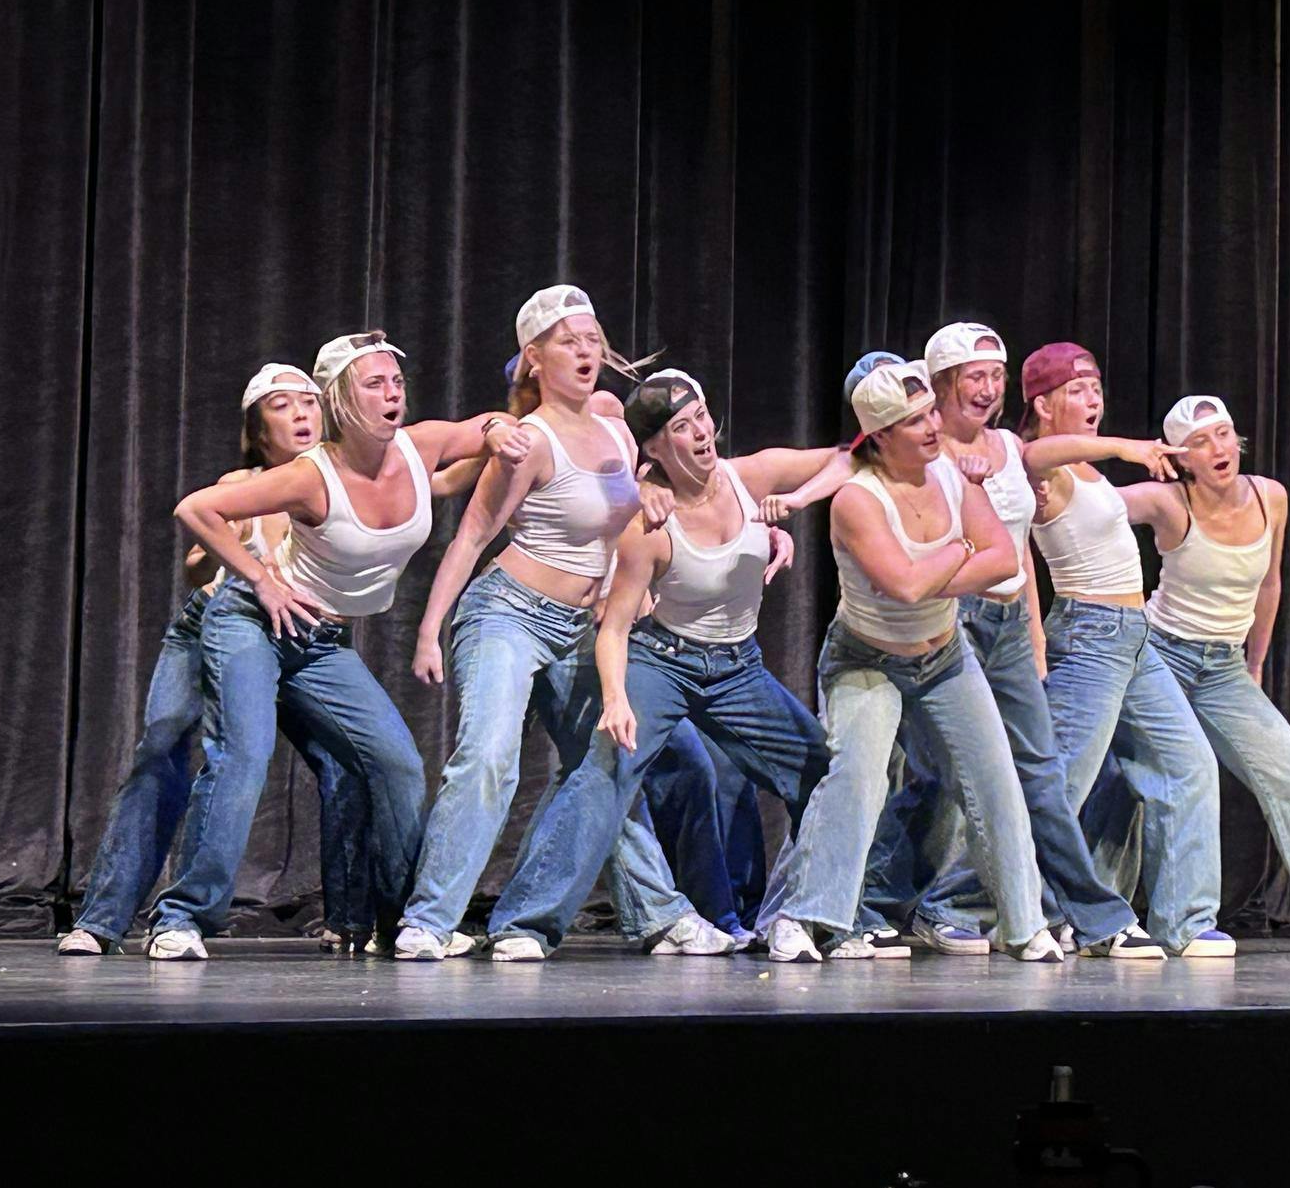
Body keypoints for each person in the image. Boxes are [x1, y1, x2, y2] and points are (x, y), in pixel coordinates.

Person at [146, 332, 527, 961]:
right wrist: (263, 580)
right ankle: (182, 918)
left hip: (322, 644)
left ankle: (406, 923)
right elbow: (196, 508)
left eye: (395, 382)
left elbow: (481, 427)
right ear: (341, 401)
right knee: (243, 754)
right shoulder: (308, 477)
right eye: (374, 385)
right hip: (250, 624)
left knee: (397, 764)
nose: (392, 394)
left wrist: (493, 432)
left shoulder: (418, 446)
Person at [478, 372, 877, 961]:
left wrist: (795, 503)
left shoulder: (749, 479)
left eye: (703, 419)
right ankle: (523, 925)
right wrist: (615, 698)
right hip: (663, 661)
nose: (701, 435)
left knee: (823, 772)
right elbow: (614, 628)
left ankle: (824, 917)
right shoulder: (649, 526)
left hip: (738, 668)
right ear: (656, 448)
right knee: (605, 771)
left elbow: (855, 455)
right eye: (681, 428)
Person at [397, 286, 734, 962]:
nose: (585, 352)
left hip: (583, 625)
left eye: (591, 339)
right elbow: (471, 537)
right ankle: (430, 921)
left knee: (606, 764)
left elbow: (663, 478)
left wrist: (656, 489)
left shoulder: (614, 418)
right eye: (567, 342)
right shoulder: (529, 442)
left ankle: (660, 913)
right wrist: (430, 630)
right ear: (533, 358)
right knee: (489, 760)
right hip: (508, 615)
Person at [853, 323, 1176, 958]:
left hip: (1003, 628)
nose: (987, 388)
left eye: (996, 376)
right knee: (940, 776)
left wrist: (1032, 632)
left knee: (1042, 775)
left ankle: (1094, 917)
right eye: (974, 377)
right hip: (948, 624)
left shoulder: (1005, 446)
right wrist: (1132, 448)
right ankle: (871, 905)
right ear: (943, 384)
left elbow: (1020, 549)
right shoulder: (921, 447)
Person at [56, 365, 370, 954]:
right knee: (165, 744)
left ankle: (352, 918)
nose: (302, 414)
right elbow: (199, 563)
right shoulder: (242, 481)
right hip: (217, 625)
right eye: (283, 406)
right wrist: (227, 554)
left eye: (309, 402)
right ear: (259, 429)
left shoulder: (338, 480)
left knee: (347, 759)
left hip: (301, 638)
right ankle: (104, 920)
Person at [804, 357, 1062, 960]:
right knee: (859, 780)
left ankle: (1025, 926)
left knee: (996, 782)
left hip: (944, 654)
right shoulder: (857, 499)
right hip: (867, 657)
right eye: (914, 422)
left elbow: (1003, 560)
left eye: (929, 416)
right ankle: (816, 919)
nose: (931, 428)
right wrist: (962, 549)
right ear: (882, 436)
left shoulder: (949, 471)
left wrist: (949, 555)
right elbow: (907, 586)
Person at [1118, 395, 1290, 954]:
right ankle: (1172, 924)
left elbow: (1270, 583)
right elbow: (1093, 507)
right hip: (1157, 655)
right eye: (1200, 442)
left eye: (1223, 434)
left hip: (1223, 666)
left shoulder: (1271, 497)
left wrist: (1257, 662)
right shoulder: (1169, 501)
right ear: (1181, 457)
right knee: (1153, 784)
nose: (1218, 448)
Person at [1021, 342, 1233, 957]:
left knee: (1188, 764)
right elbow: (1033, 453)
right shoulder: (1045, 467)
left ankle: (1187, 922)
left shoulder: (1087, 471)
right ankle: (966, 901)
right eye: (1078, 390)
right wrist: (1122, 447)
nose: (1094, 400)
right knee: (1058, 782)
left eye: (1096, 388)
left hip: (1134, 638)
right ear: (1042, 403)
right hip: (1088, 637)